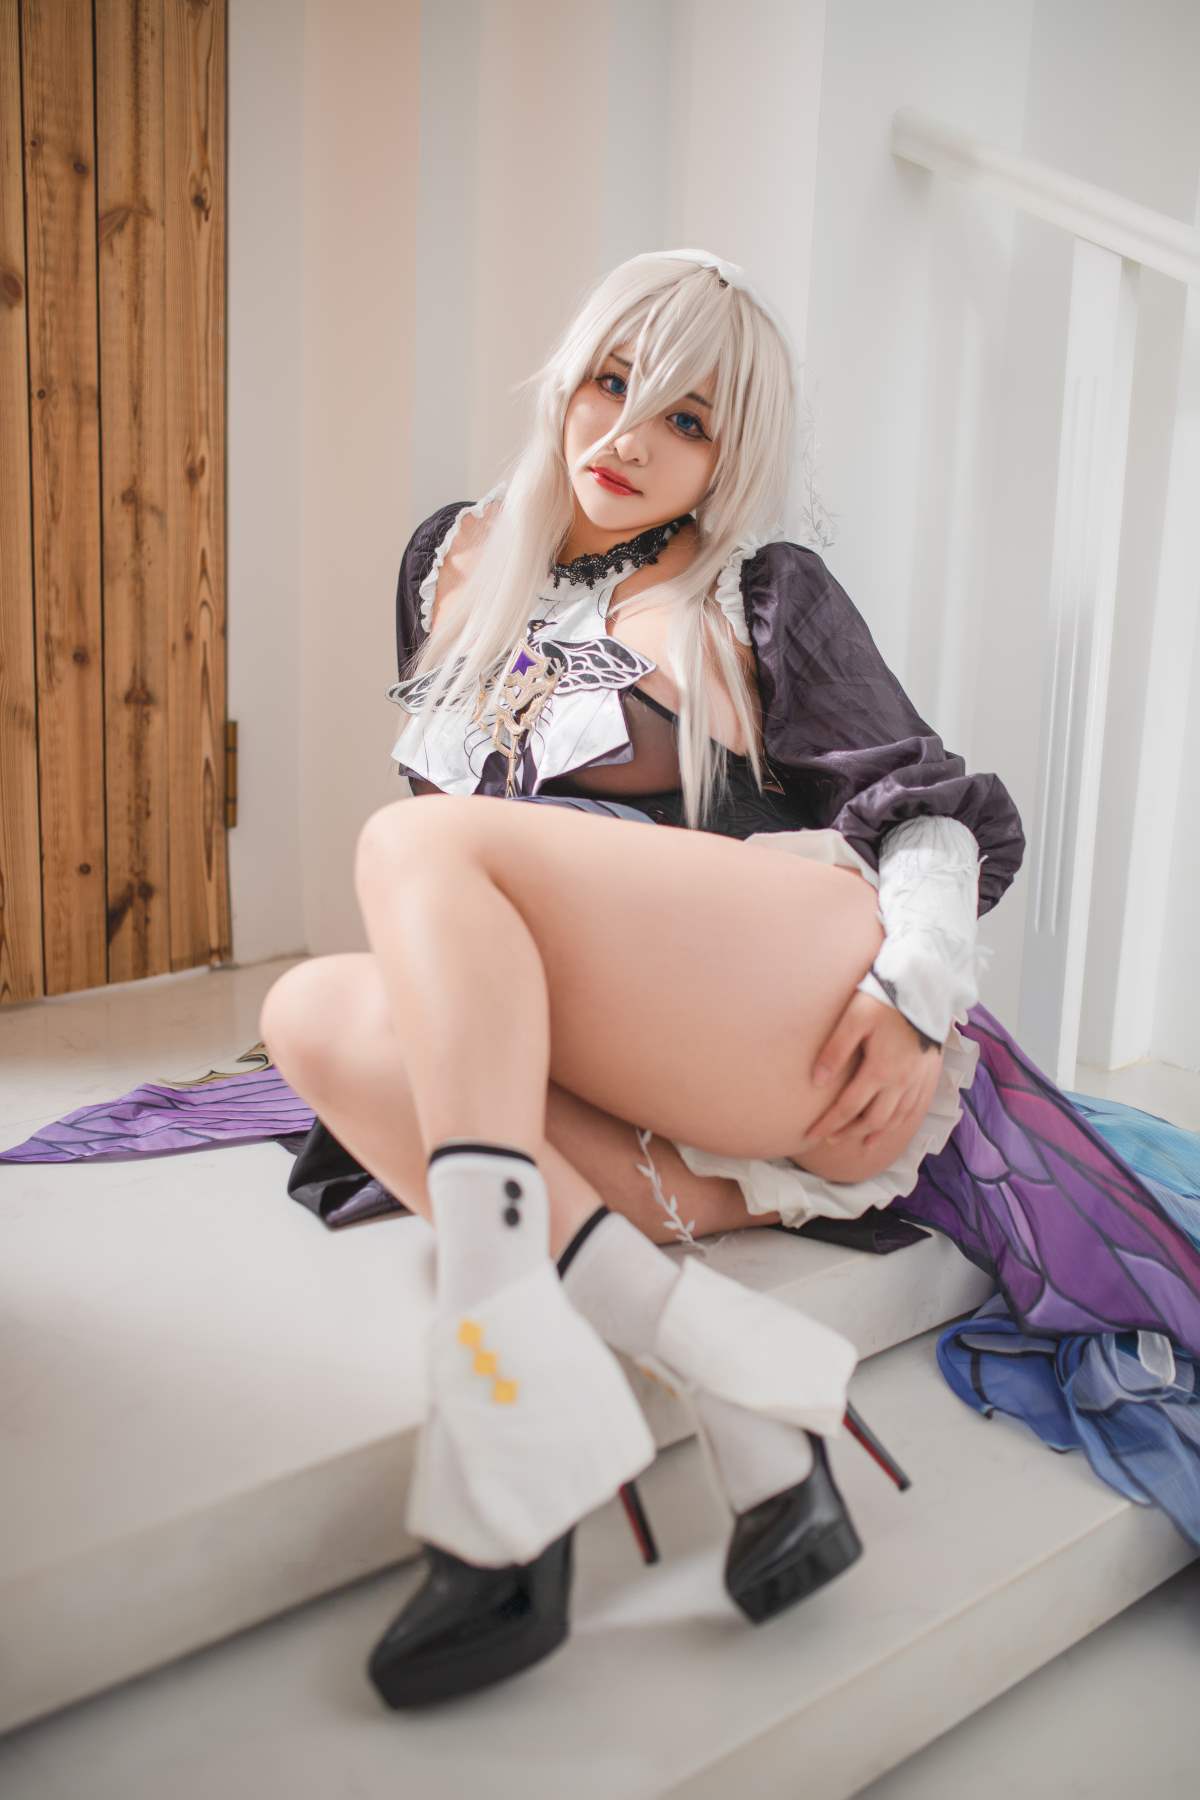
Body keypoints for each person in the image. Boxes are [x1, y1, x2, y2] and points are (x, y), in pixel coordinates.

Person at [251, 247, 1118, 1711]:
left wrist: (916, 994)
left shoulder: (761, 591)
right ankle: (735, 1377)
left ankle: (502, 1418)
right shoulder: (452, 561)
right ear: (566, 377)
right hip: (609, 1045)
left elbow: (923, 810)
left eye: (686, 420)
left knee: (407, 846)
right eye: (610, 384)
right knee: (311, 1013)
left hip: (784, 992)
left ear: (730, 458)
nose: (628, 439)